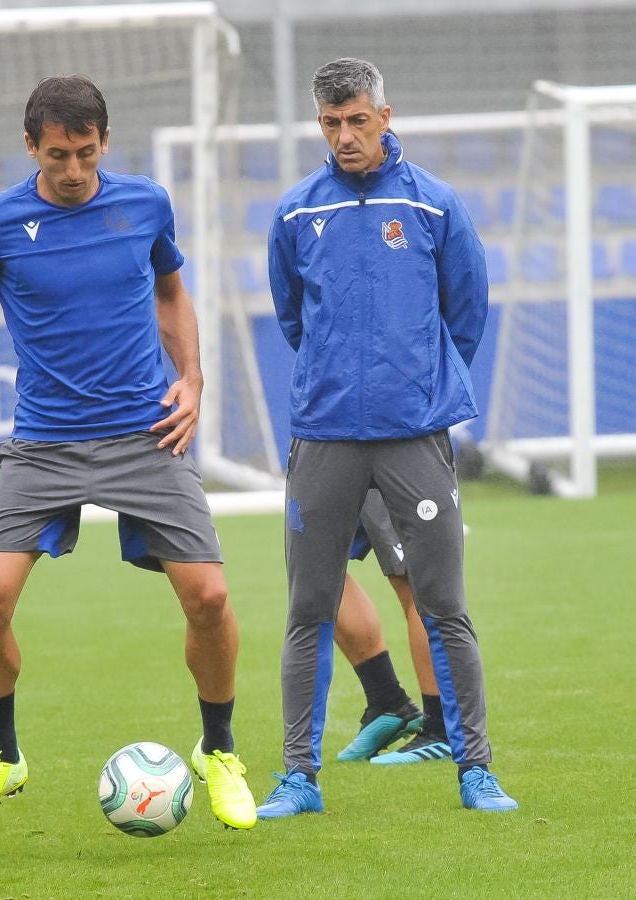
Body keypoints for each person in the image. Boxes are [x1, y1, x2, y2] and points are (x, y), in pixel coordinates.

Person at [0, 74, 256, 830]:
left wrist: (192, 378)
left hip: (147, 434)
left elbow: (172, 292)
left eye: (86, 152)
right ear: (30, 147)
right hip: (44, 442)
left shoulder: (145, 204)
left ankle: (218, 751)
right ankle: (1, 756)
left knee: (209, 599)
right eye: (58, 155)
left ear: (105, 142)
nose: (74, 170)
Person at [257, 57, 517, 818]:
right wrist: (340, 378)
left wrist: (418, 386)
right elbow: (293, 316)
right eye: (331, 123)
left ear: (385, 116)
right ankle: (298, 778)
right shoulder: (296, 212)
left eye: (357, 120)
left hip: (414, 437)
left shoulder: (433, 203)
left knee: (444, 605)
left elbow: (466, 309)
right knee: (309, 607)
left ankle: (476, 769)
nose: (345, 136)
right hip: (326, 435)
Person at [332, 490, 458, 765]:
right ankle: (387, 702)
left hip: (384, 465)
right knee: (315, 569)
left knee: (412, 579)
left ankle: (440, 729)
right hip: (324, 464)